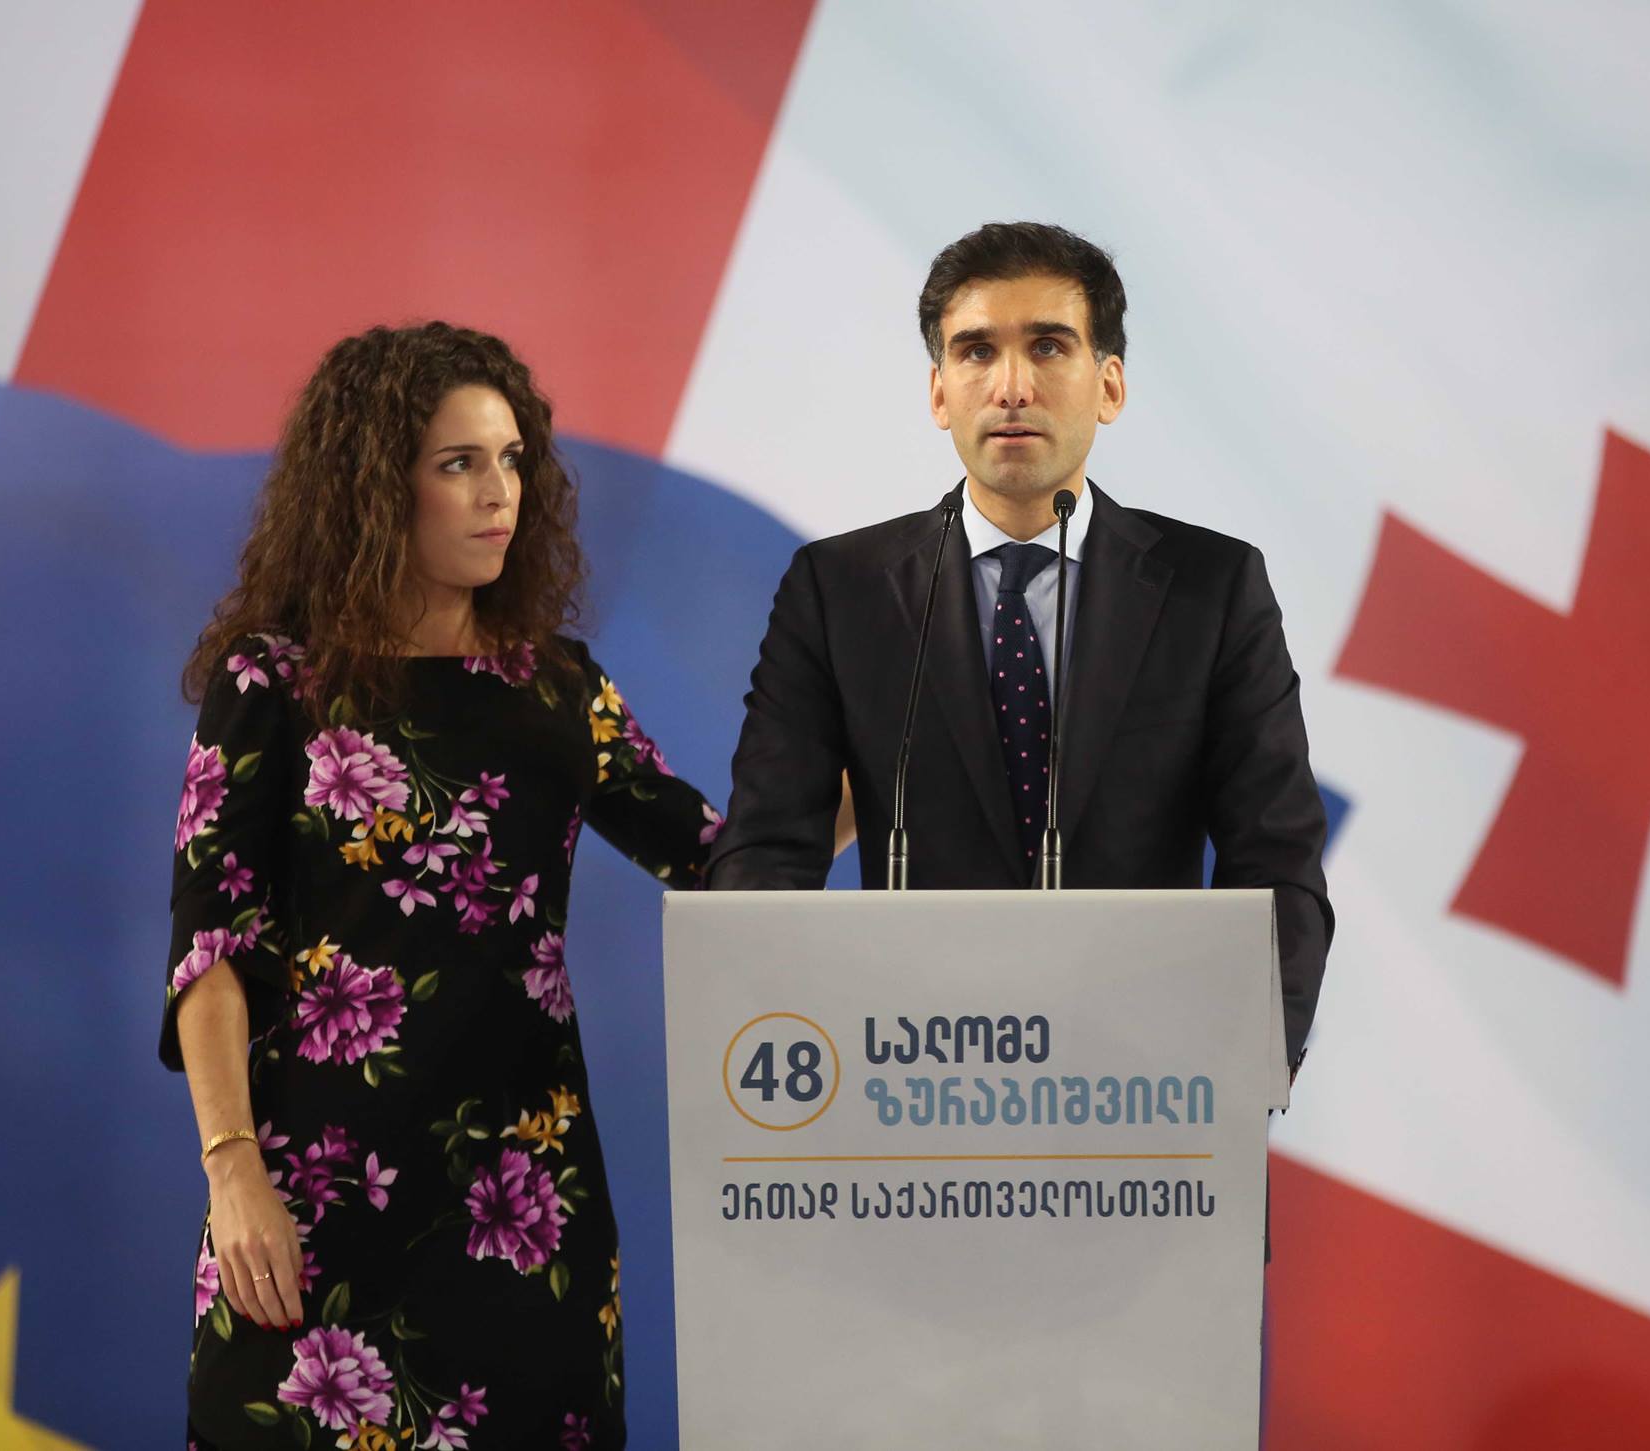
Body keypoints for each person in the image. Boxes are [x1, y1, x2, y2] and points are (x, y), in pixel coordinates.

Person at [162, 322, 717, 1450]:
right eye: (458, 463)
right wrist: (233, 1169)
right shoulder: (271, 680)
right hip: (310, 1198)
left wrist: (880, 759)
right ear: (372, 486)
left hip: (526, 1206)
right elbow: (211, 947)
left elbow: (718, 858)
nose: (499, 492)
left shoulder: (556, 685)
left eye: (511, 459)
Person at [707, 221, 1334, 1069]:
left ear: (1109, 385)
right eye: (976, 352)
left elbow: (1277, 860)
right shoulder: (840, 590)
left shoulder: (1211, 588)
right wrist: (774, 1065)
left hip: (1149, 1087)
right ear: (939, 394)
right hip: (908, 1084)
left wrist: (1244, 1067)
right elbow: (767, 858)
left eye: (1047, 346)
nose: (1010, 386)